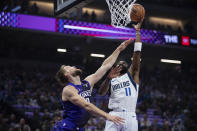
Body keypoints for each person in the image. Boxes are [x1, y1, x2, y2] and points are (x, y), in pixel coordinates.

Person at [53, 38, 133, 131]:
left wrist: (119, 49)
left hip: (79, 128)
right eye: (69, 67)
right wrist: (107, 116)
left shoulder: (87, 83)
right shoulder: (68, 89)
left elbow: (105, 66)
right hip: (66, 128)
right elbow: (86, 105)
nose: (73, 66)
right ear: (66, 75)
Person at [98, 21, 143, 131]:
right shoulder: (112, 78)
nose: (122, 63)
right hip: (114, 114)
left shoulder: (132, 75)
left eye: (124, 63)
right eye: (120, 63)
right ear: (116, 66)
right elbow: (101, 93)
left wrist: (138, 33)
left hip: (130, 115)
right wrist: (107, 79)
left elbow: (137, 53)